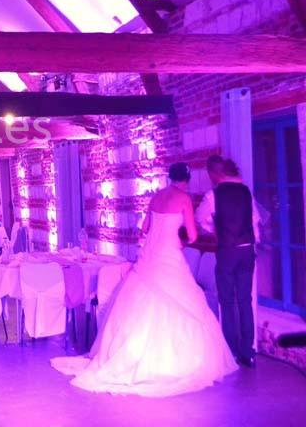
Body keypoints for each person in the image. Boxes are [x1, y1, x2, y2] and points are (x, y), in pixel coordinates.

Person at [52, 162, 237, 397]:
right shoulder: (184, 199)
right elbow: (191, 235)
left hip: (150, 257)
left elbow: (145, 228)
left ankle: (130, 355)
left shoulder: (157, 197)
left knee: (140, 302)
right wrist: (180, 241)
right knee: (181, 301)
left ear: (170, 177)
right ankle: (170, 361)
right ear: (187, 179)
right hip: (170, 256)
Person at [196, 156, 260, 368]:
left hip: (228, 251)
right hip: (247, 249)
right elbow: (255, 221)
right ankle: (248, 352)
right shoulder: (245, 191)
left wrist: (216, 231)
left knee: (227, 301)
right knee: (244, 300)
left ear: (214, 174)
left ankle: (231, 352)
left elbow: (200, 218)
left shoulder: (213, 195)